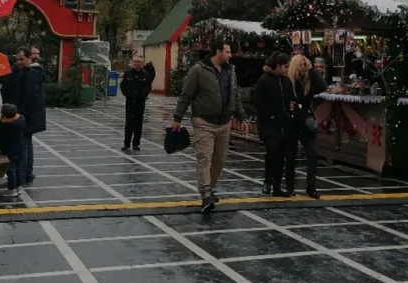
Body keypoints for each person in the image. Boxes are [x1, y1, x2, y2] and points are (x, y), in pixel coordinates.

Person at [172, 40, 244, 213]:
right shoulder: (198, 70)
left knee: (219, 160)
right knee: (204, 158)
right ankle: (205, 195)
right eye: (227, 51)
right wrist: (177, 117)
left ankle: (210, 188)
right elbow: (186, 94)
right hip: (203, 121)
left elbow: (235, 93)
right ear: (218, 52)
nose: (230, 55)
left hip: (224, 123)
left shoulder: (230, 71)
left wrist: (240, 114)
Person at [254, 52, 296, 197]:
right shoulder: (264, 80)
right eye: (285, 66)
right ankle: (268, 181)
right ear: (277, 66)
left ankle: (277, 186)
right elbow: (258, 101)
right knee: (272, 149)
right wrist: (270, 115)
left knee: (280, 155)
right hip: (268, 124)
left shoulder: (286, 81)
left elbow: (290, 98)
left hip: (283, 125)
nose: (287, 69)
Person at [287, 55, 326, 198]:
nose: (303, 68)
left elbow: (322, 87)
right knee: (291, 156)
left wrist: (312, 71)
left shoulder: (309, 80)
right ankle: (290, 187)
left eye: (305, 65)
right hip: (292, 122)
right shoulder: (289, 81)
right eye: (301, 65)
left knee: (312, 154)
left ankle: (311, 187)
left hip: (306, 121)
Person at [14, 46, 47, 185]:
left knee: (24, 145)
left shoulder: (31, 73)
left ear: (29, 58)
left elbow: (30, 95)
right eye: (17, 59)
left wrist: (19, 113)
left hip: (28, 115)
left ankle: (23, 175)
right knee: (27, 144)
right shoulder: (32, 71)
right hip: (33, 114)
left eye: (22, 59)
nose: (19, 62)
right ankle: (26, 174)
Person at [120, 55, 155, 151]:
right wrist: (127, 94)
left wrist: (143, 94)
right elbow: (123, 85)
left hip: (140, 102)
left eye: (138, 61)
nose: (136, 63)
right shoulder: (128, 73)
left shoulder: (145, 75)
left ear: (142, 63)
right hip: (130, 102)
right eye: (134, 61)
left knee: (138, 123)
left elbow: (148, 86)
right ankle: (126, 144)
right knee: (129, 123)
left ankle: (136, 143)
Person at [0, 103, 27, 199]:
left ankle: (11, 189)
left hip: (9, 150)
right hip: (20, 147)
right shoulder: (21, 119)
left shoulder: (4, 125)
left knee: (11, 169)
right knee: (19, 168)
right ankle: (19, 187)